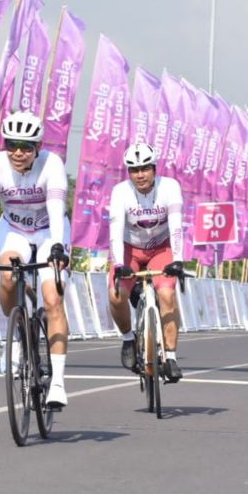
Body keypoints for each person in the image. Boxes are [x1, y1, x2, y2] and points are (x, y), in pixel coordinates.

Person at [0, 111, 71, 409]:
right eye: (12, 144)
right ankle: (14, 339)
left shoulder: (51, 164)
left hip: (50, 229)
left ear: (37, 147)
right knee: (6, 275)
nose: (18, 152)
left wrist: (56, 250)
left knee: (52, 299)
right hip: (14, 229)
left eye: (26, 147)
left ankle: (59, 384)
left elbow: (55, 208)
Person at [107, 143, 186, 382]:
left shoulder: (170, 187)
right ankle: (128, 339)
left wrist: (179, 260)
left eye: (145, 168)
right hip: (129, 249)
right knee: (116, 294)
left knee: (167, 296)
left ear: (154, 168)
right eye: (134, 170)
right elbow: (115, 230)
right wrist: (120, 264)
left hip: (160, 249)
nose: (140, 174)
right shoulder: (120, 192)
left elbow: (176, 226)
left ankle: (170, 357)